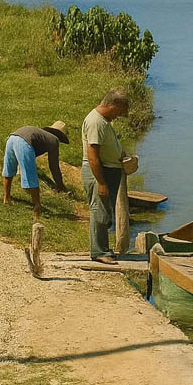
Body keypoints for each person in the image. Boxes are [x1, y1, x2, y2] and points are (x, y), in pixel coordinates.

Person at [82, 88, 129, 265]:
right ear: (112, 105)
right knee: (99, 211)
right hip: (100, 173)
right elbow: (93, 156)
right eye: (118, 112)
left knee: (105, 211)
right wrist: (101, 182)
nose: (118, 116)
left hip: (108, 170)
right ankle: (98, 251)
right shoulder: (96, 122)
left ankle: (102, 248)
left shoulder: (103, 121)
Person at [1, 121, 69, 219]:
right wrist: (60, 185)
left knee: (9, 169)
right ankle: (37, 206)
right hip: (24, 142)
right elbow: (53, 165)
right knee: (31, 176)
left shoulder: (42, 135)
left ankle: (6, 198)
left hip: (11, 138)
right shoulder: (54, 140)